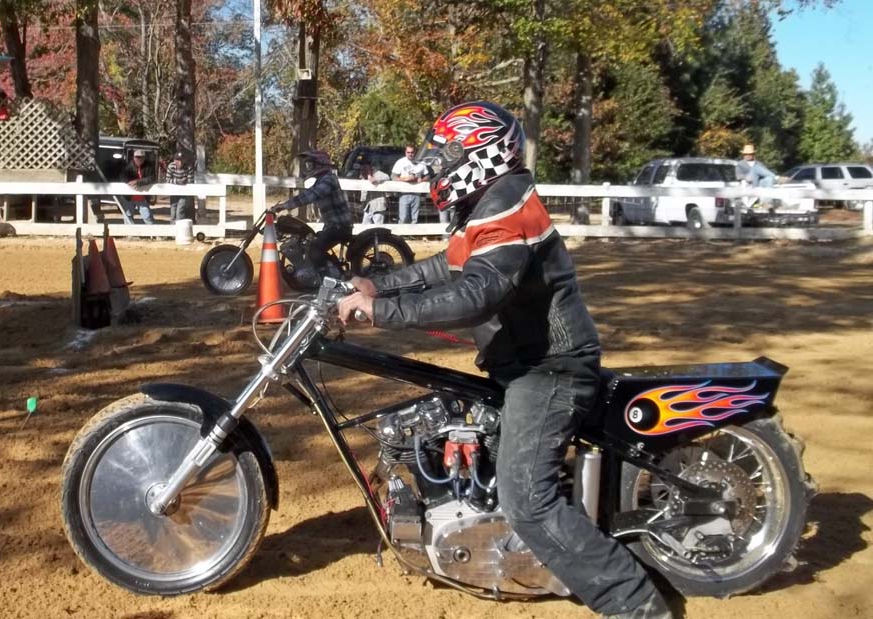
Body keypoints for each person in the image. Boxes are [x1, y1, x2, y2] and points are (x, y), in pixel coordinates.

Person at [338, 102, 672, 619]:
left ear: (481, 153)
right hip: (522, 363)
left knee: (528, 501)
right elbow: (445, 267)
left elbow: (478, 293)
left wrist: (382, 310)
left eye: (448, 154)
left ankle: (635, 603)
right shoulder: (486, 204)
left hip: (551, 368)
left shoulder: (507, 211)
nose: (437, 164)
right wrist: (377, 284)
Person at [273, 150, 353, 286]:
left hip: (339, 226)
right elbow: (310, 192)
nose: (308, 167)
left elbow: (312, 195)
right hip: (332, 226)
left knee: (314, 250)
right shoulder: (322, 180)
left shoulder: (328, 180)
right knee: (308, 242)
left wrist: (285, 206)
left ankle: (327, 282)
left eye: (311, 164)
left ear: (320, 164)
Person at [391, 145, 427, 223]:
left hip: (417, 193)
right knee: (403, 218)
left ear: (415, 152)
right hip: (404, 193)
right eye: (408, 152)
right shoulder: (400, 162)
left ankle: (413, 231)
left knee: (414, 219)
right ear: (405, 152)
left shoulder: (421, 162)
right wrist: (405, 179)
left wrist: (422, 180)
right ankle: (401, 231)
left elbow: (428, 175)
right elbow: (393, 177)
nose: (410, 154)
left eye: (412, 152)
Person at [122, 149, 157, 224]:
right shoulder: (128, 166)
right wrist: (129, 183)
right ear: (134, 157)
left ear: (144, 158)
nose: (139, 159)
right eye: (137, 157)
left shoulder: (149, 166)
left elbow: (152, 178)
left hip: (142, 197)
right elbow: (122, 177)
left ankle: (152, 231)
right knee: (128, 217)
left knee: (148, 217)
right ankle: (128, 231)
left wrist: (138, 182)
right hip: (129, 197)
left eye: (141, 157)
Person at [165, 151, 195, 223]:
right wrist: (179, 181)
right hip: (173, 192)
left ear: (184, 160)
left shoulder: (189, 167)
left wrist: (182, 182)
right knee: (173, 211)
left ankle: (179, 228)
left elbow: (190, 181)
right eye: (178, 160)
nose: (180, 162)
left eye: (181, 160)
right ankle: (172, 228)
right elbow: (168, 180)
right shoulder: (171, 166)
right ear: (174, 160)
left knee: (180, 211)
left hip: (184, 193)